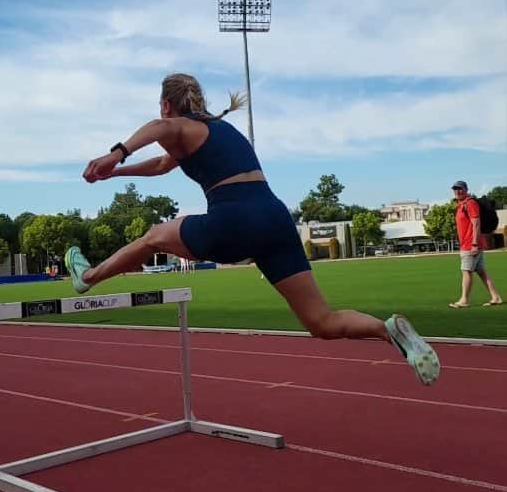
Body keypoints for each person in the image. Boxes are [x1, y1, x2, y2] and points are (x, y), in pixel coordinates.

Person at [65, 73, 440, 385]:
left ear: (166, 103)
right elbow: (163, 165)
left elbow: (160, 128)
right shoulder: (217, 130)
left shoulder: (175, 125)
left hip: (234, 219)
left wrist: (117, 152)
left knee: (151, 236)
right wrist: (118, 171)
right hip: (275, 219)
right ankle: (388, 330)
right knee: (322, 321)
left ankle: (88, 276)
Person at [449, 181, 503, 308]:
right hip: (470, 243)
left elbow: (476, 223)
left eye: (460, 188)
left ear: (466, 189)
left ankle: (464, 300)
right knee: (481, 272)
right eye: (455, 189)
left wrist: (474, 243)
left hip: (471, 244)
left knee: (466, 270)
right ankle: (496, 297)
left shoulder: (470, 203)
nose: (457, 191)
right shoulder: (461, 205)